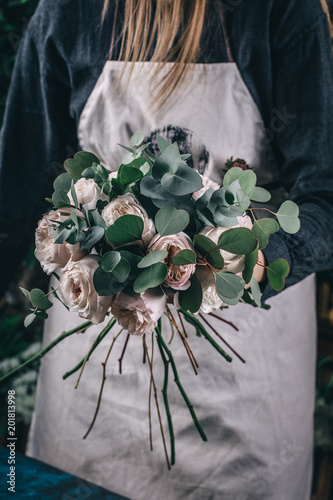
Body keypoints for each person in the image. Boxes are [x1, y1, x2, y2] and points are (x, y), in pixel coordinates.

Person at [1, 0, 333, 498]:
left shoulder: (282, 13)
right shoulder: (68, 14)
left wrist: (247, 258)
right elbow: (13, 196)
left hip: (240, 391)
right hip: (94, 389)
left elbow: (324, 196)